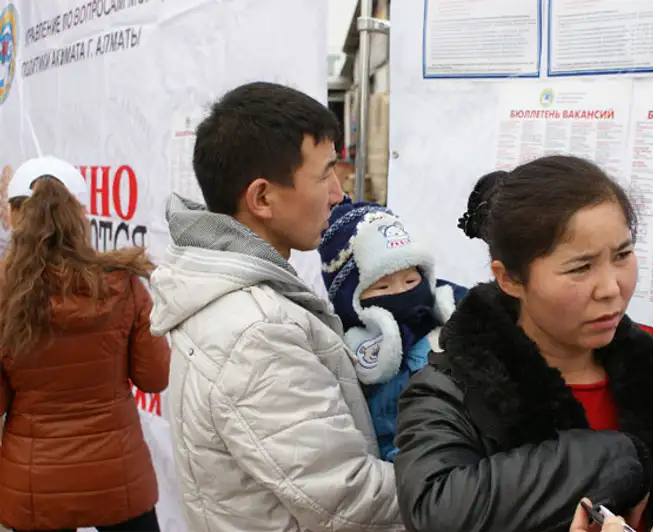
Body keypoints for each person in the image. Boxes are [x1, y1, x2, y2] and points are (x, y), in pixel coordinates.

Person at [392, 155, 653, 531]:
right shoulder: (449, 392)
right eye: (580, 267)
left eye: (622, 255)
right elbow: (434, 513)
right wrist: (621, 461)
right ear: (509, 278)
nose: (611, 289)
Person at [148, 82, 404, 531]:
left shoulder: (245, 302)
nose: (338, 193)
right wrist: (470, 487)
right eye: (325, 174)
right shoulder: (255, 330)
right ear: (262, 198)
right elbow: (348, 498)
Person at [0, 156, 169, 532]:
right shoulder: (122, 283)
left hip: (35, 481)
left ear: (12, 216)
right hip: (117, 472)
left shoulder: (3, 291)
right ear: (80, 215)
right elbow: (155, 377)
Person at [318, 198, 467, 461]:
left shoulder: (459, 321)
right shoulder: (347, 356)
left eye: (411, 280)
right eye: (382, 288)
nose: (401, 292)